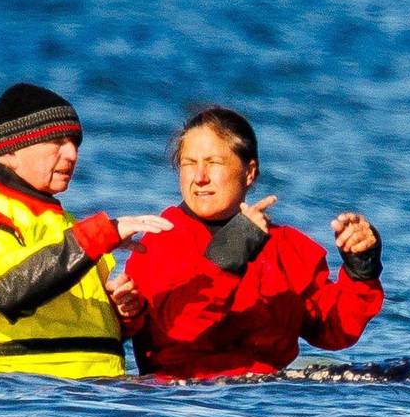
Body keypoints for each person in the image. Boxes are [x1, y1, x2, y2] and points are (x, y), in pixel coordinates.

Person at [0, 82, 172, 377]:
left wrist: (122, 314)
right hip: (3, 400)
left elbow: (70, 330)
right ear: (9, 151)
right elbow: (6, 291)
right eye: (56, 141)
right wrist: (100, 235)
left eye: (74, 142)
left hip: (86, 401)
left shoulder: (64, 223)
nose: (72, 154)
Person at [124, 106, 384, 379]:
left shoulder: (285, 245)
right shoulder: (158, 242)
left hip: (269, 404)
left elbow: (334, 330)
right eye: (189, 163)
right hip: (185, 405)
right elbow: (180, 330)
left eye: (213, 163)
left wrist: (361, 270)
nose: (199, 177)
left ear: (249, 172)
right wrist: (232, 252)